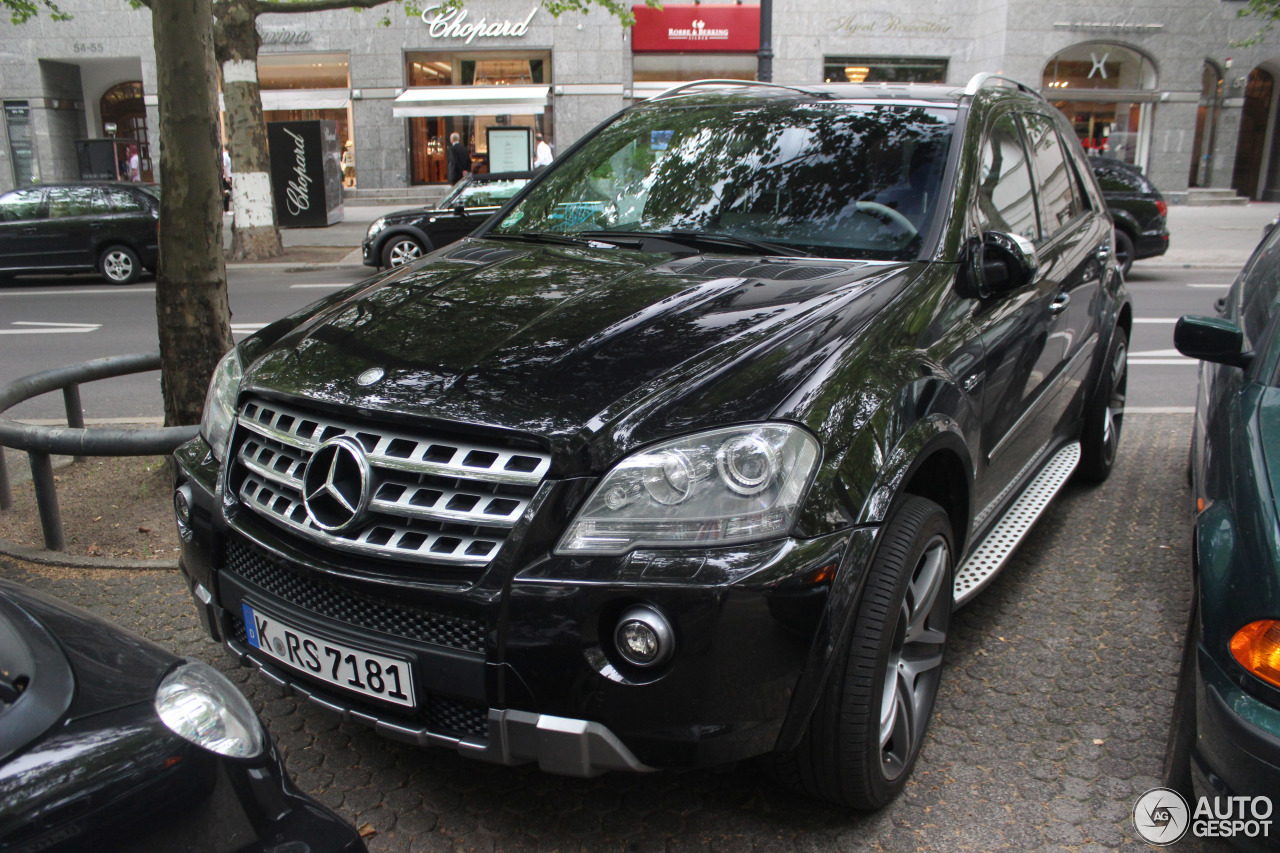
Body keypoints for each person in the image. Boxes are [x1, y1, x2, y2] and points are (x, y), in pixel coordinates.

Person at [221, 146, 232, 212]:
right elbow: (223, 166)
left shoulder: (229, 155)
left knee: (229, 192)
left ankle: (226, 209)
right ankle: (226, 209)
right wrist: (226, 177)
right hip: (226, 177)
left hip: (230, 175)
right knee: (227, 193)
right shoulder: (225, 156)